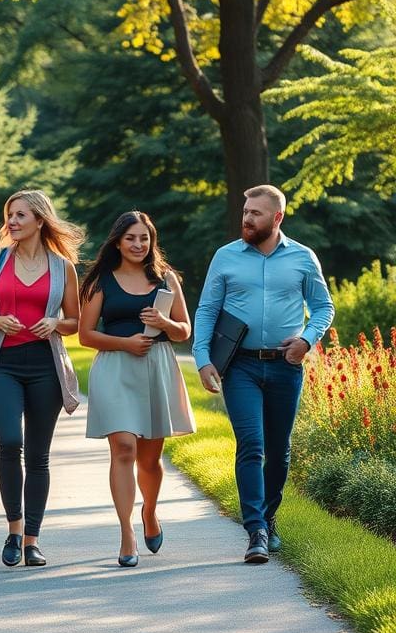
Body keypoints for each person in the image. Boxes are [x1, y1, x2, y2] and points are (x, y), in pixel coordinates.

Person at [193, 185, 334, 564]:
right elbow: (207, 310)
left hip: (286, 366)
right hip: (241, 366)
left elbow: (323, 307)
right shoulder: (226, 257)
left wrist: (307, 339)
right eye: (245, 212)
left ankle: (269, 518)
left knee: (279, 451)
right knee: (251, 445)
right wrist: (203, 359)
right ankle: (255, 529)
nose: (246, 218)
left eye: (255, 213)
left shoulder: (303, 258)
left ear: (277, 218)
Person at [0, 189, 82, 568]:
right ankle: (13, 530)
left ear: (39, 219)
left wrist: (55, 323)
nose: (12, 222)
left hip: (45, 366)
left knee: (38, 455)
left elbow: (75, 322)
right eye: (9, 216)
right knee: (9, 442)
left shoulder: (62, 267)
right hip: (4, 363)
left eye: (19, 215)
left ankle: (32, 539)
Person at [78, 211, 196, 568]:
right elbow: (85, 335)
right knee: (124, 449)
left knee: (149, 458)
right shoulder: (101, 280)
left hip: (156, 366)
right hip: (115, 368)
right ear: (117, 241)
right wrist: (124, 343)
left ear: (151, 241)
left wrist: (164, 322)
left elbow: (184, 332)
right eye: (131, 238)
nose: (138, 244)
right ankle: (127, 533)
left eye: (144, 238)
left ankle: (150, 512)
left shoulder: (166, 279)